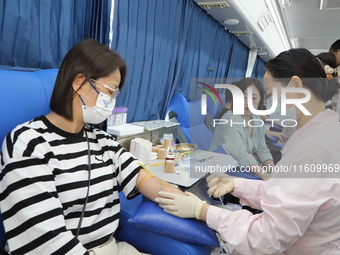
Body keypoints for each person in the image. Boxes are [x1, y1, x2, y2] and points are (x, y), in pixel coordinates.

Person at [0, 39, 185, 255]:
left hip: (111, 248)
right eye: (110, 91)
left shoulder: (102, 140)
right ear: (79, 82)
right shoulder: (28, 142)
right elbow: (45, 242)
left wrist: (204, 211)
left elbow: (144, 180)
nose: (112, 101)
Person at [156, 48, 340, 255]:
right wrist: (238, 184)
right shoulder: (326, 132)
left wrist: (203, 211)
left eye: (269, 95)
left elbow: (267, 237)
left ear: (296, 87)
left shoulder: (313, 148)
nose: (266, 104)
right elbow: (286, 193)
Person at [210, 77, 274, 180]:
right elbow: (240, 155)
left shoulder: (257, 121)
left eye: (253, 98)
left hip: (242, 167)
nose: (249, 102)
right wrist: (267, 177)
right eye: (244, 97)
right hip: (222, 170)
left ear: (260, 99)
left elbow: (262, 150)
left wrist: (273, 172)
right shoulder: (229, 120)